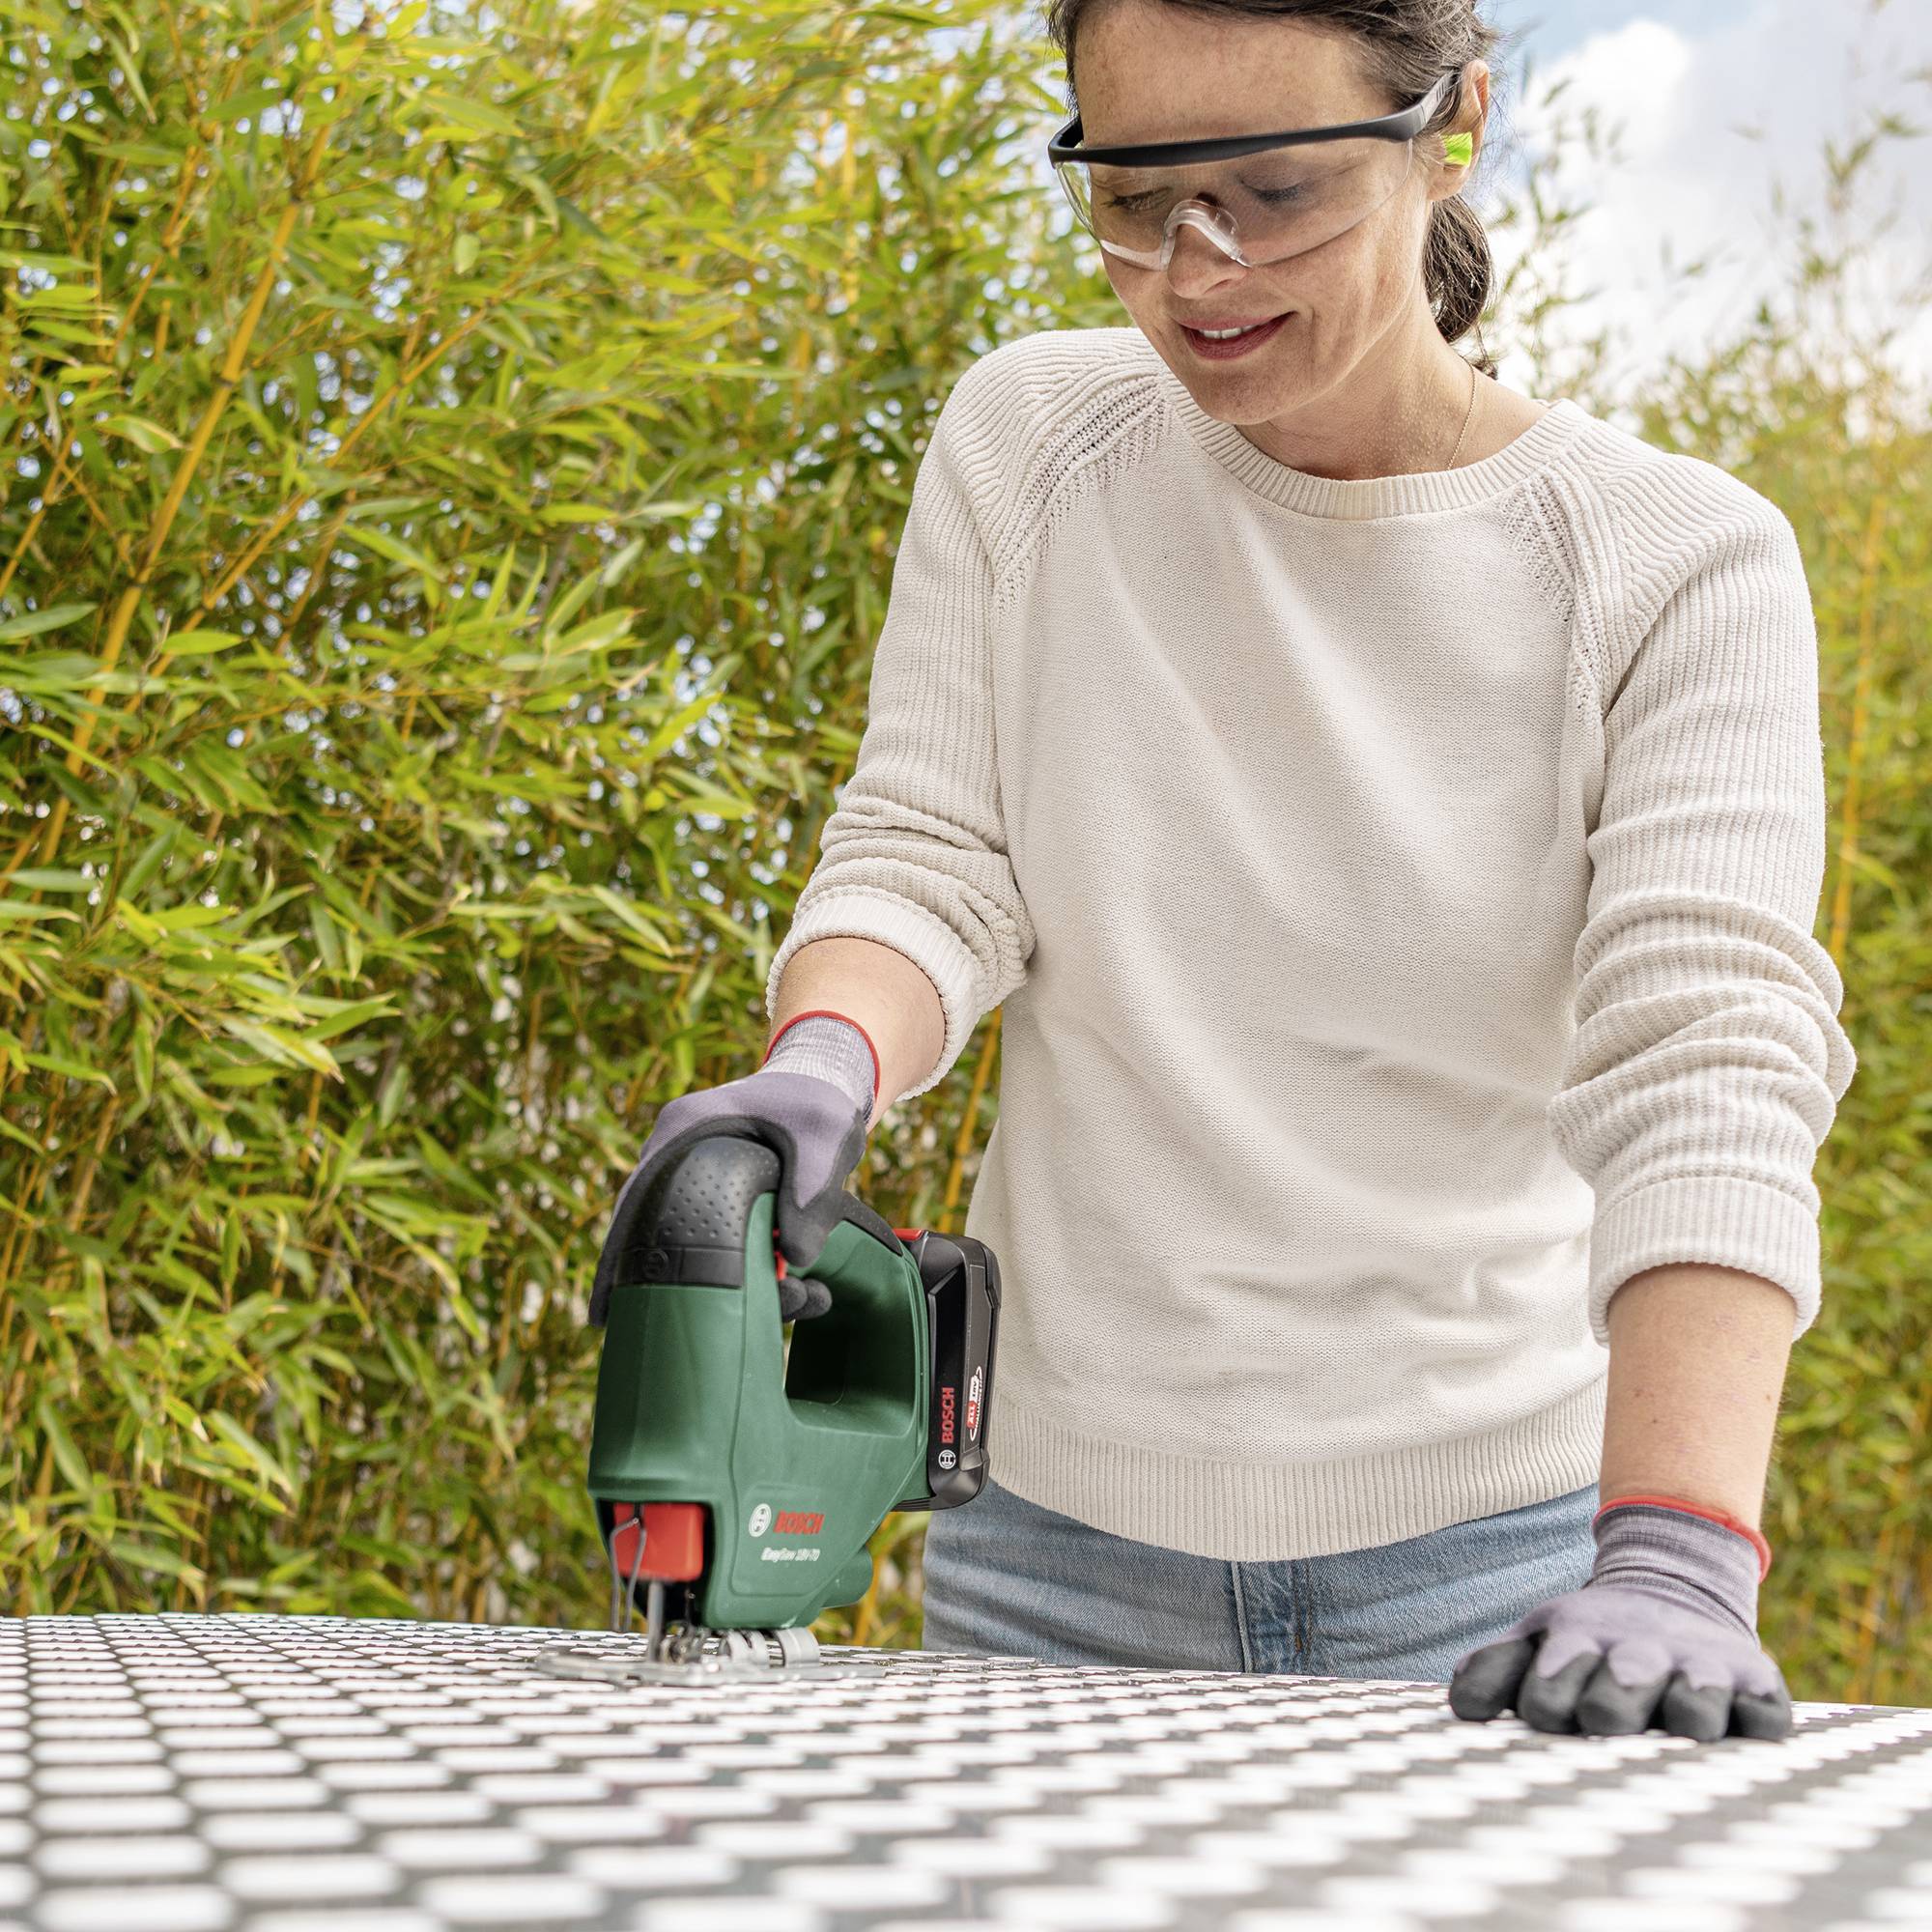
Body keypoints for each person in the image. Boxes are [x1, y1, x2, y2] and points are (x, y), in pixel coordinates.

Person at [613, 0, 1855, 1743]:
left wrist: (1676, 1550)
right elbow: (934, 858)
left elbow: (1705, 1066)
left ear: (1456, 125)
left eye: (1274, 189)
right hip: (1051, 1549)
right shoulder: (1032, 446)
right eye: (1133, 192)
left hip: (1503, 1575)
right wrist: (825, 1059)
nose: (1197, 268)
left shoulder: (1675, 564)